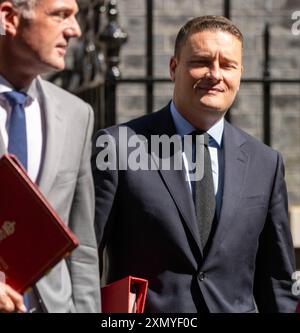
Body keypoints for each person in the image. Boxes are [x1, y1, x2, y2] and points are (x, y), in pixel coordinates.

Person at [92, 15, 299, 313]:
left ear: (240, 73)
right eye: (201, 61)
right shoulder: (118, 146)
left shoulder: (265, 163)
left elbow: (277, 282)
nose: (215, 74)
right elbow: (85, 257)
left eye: (227, 65)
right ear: (174, 68)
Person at [0, 0, 100, 313]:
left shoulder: (77, 114)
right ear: (10, 18)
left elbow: (82, 244)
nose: (75, 30)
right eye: (60, 15)